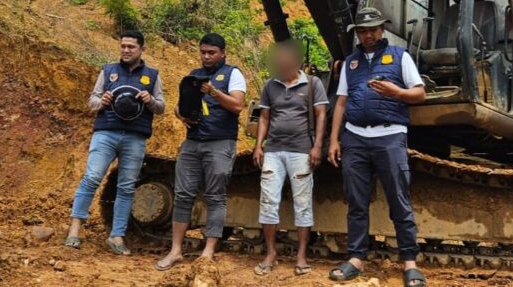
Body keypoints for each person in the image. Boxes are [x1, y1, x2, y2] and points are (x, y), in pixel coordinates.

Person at [327, 8, 428, 287]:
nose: (368, 34)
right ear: (357, 33)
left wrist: (397, 92)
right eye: (362, 30)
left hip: (390, 136)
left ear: (382, 30)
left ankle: (409, 263)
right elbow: (342, 102)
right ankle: (356, 259)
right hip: (355, 139)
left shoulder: (400, 57)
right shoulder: (351, 63)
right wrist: (334, 139)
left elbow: (419, 93)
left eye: (373, 29)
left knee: (399, 199)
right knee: (356, 201)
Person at [64, 30, 165, 255]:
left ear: (142, 50)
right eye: (123, 46)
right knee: (91, 178)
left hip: (136, 137)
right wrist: (102, 101)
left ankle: (117, 236)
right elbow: (92, 100)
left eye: (131, 47)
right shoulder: (108, 70)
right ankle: (74, 230)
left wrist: (150, 101)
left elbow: (161, 107)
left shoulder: (152, 75)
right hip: (106, 133)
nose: (126, 50)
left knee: (127, 186)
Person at [156, 33, 246, 271]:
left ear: (223, 53)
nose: (206, 57)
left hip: (220, 143)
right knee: (183, 195)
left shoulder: (233, 74)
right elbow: (179, 105)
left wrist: (213, 92)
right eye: (203, 52)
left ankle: (209, 250)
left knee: (215, 196)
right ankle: (175, 251)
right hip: (192, 142)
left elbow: (237, 106)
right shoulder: (193, 76)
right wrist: (181, 115)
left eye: (211, 53)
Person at [252, 40, 329, 276]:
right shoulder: (270, 85)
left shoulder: (313, 84)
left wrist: (316, 146)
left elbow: (321, 115)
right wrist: (258, 146)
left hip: (300, 150)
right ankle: (271, 253)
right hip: (274, 150)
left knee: (303, 203)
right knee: (268, 201)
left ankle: (302, 255)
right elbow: (265, 117)